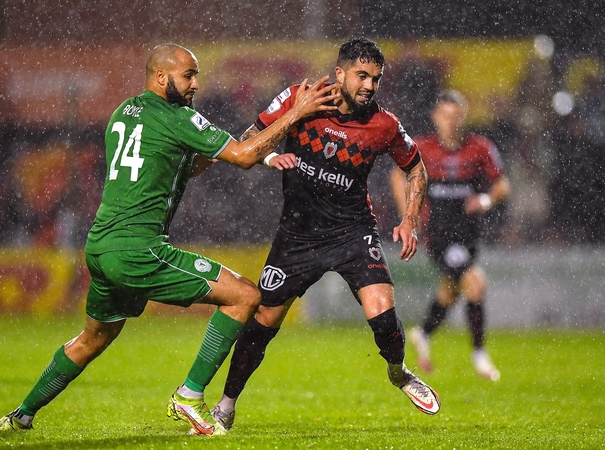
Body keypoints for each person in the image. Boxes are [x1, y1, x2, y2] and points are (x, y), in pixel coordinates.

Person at [0, 42, 339, 435]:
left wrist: (251, 152)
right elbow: (239, 157)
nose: (195, 84)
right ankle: (190, 395)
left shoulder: (125, 112)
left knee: (95, 336)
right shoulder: (177, 116)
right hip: (137, 248)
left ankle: (21, 414)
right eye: (188, 75)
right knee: (245, 296)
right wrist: (295, 114)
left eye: (196, 75)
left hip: (102, 244)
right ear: (161, 77)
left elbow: (181, 167)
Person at [207, 37, 439, 433]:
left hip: (353, 231)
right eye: (362, 76)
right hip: (297, 235)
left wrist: (409, 218)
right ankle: (225, 406)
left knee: (381, 310)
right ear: (339, 73)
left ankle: (399, 372)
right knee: (264, 321)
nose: (369, 85)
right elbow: (245, 139)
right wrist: (267, 155)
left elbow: (416, 168)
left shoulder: (384, 124)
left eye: (376, 79)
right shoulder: (302, 97)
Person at [390, 90, 510, 381]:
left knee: (450, 289)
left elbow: (502, 185)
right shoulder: (422, 147)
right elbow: (397, 174)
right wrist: (409, 214)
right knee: (475, 284)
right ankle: (479, 355)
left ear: (464, 117)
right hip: (439, 233)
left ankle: (423, 332)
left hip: (469, 233)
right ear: (435, 117)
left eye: (456, 116)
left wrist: (485, 200)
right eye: (445, 115)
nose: (451, 122)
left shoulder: (480, 147)